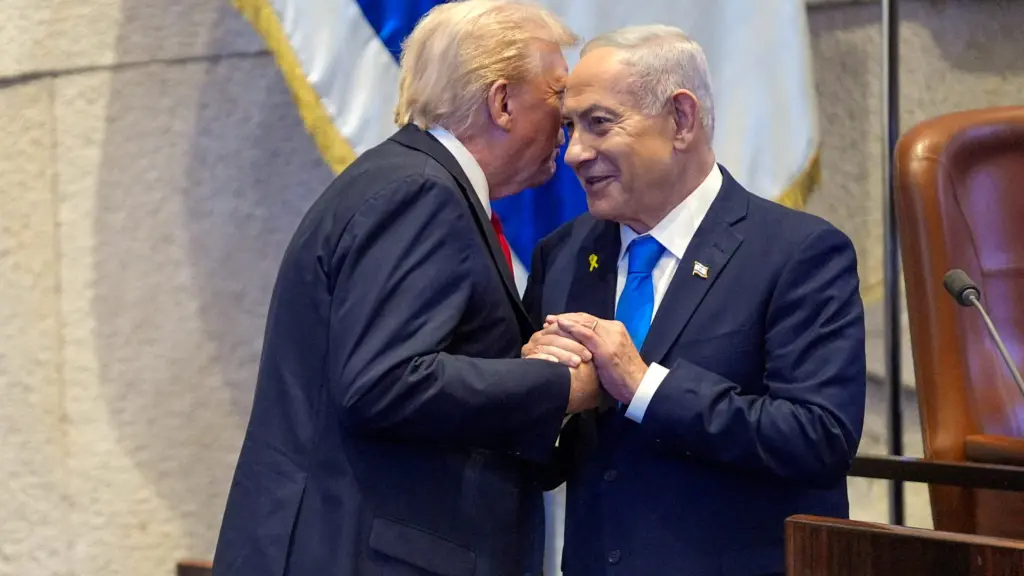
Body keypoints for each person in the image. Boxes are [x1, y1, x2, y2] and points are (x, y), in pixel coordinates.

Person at [212, 2, 602, 575]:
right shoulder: (421, 194)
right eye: (557, 96)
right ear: (502, 103)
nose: (568, 123)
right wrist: (559, 386)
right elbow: (383, 381)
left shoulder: (407, 181)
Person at [522, 25, 866, 576]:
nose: (574, 154)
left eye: (598, 124)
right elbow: (546, 463)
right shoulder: (562, 256)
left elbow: (818, 438)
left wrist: (642, 386)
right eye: (569, 127)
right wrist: (535, 395)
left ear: (681, 119)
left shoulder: (797, 253)